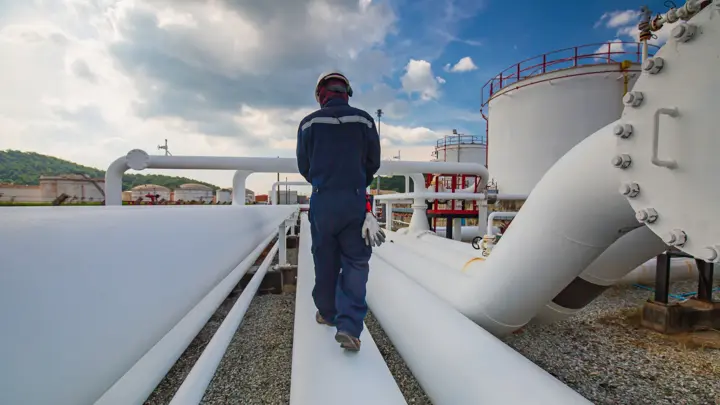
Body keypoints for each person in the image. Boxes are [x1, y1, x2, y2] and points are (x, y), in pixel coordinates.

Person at [296, 71, 386, 352]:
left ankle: (326, 313)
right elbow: (373, 162)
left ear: (321, 94)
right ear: (346, 91)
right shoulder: (365, 120)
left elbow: (304, 166)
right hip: (354, 200)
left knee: (324, 258)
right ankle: (349, 327)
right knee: (356, 263)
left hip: (323, 200)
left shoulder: (308, 123)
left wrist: (325, 182)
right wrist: (356, 183)